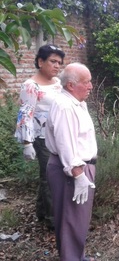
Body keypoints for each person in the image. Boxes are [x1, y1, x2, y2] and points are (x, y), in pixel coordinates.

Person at [45, 62, 97, 261]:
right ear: (71, 85)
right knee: (70, 220)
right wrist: (79, 175)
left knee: (78, 219)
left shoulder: (76, 103)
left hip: (80, 169)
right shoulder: (65, 107)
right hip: (72, 171)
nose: (91, 86)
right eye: (87, 82)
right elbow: (66, 144)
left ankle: (78, 256)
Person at [14, 44, 65, 229]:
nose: (57, 66)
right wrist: (27, 143)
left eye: (59, 62)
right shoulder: (30, 85)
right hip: (41, 138)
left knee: (50, 174)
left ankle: (42, 212)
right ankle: (53, 221)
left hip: (59, 135)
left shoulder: (58, 83)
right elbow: (25, 113)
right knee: (50, 176)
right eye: (53, 61)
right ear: (40, 61)